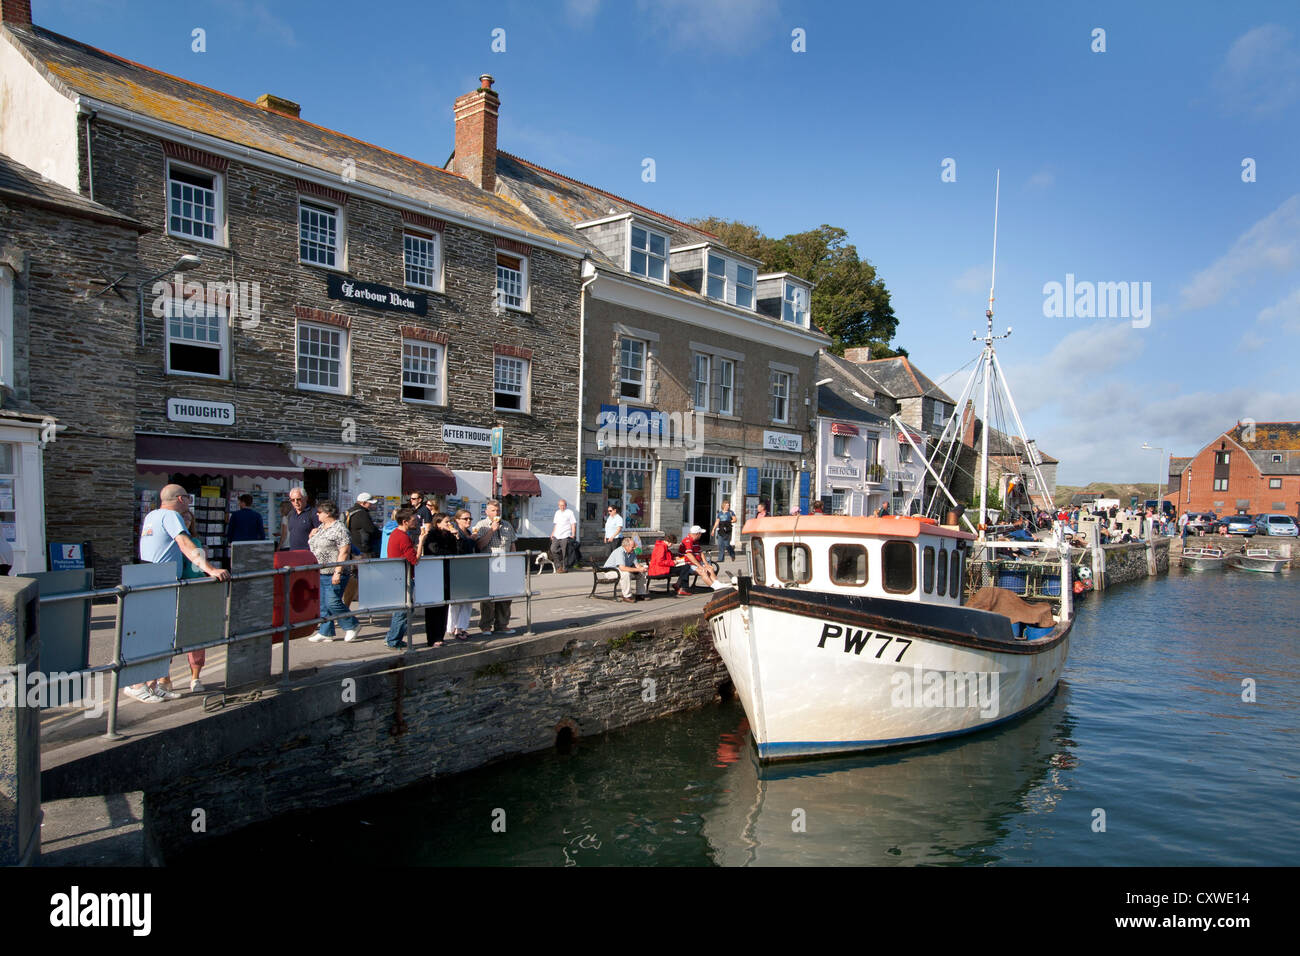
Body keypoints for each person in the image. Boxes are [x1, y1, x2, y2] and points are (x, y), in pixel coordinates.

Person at [132, 484, 230, 702]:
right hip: (163, 580)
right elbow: (185, 544)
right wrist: (211, 570)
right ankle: (138, 685)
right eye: (186, 497)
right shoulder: (171, 516)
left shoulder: (152, 516)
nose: (188, 501)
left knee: (160, 635)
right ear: (180, 499)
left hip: (149, 577)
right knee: (157, 636)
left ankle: (153, 684)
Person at [306, 500, 359, 643]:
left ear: (328, 513)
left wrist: (338, 572)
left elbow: (344, 550)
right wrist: (312, 536)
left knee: (332, 601)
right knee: (323, 604)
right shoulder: (322, 527)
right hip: (320, 571)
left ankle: (351, 624)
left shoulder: (339, 529)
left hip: (335, 571)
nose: (317, 515)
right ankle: (326, 631)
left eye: (319, 512)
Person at [384, 507, 430, 649]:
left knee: (403, 609)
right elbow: (415, 560)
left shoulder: (396, 534)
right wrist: (421, 541)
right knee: (403, 610)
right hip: (403, 576)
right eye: (413, 520)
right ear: (405, 522)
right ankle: (393, 639)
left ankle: (393, 637)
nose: (416, 522)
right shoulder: (403, 537)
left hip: (399, 575)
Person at [473, 500, 518, 636]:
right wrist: (492, 530)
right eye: (493, 510)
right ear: (487, 512)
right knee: (488, 598)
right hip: (488, 563)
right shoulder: (481, 525)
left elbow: (512, 544)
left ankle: (502, 624)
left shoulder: (507, 525)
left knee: (505, 596)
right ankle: (486, 625)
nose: (496, 513)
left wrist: (514, 561)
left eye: (498, 510)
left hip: (505, 562)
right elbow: (479, 545)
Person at [423, 511, 458, 647]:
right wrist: (449, 553)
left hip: (447, 573)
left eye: (450, 521)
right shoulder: (431, 536)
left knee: (444, 606)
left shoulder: (450, 536)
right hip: (433, 574)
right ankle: (432, 638)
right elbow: (434, 550)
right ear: (438, 524)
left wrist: (457, 538)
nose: (449, 524)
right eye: (446, 522)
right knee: (433, 608)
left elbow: (457, 552)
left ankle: (440, 636)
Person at [446, 509, 477, 640]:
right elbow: (458, 549)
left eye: (470, 518)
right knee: (457, 601)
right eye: (465, 519)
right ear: (457, 520)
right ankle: (453, 628)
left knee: (468, 601)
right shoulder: (455, 533)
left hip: (469, 568)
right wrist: (471, 540)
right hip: (458, 569)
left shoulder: (469, 532)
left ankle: (462, 627)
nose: (468, 521)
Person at [603, 536, 648, 602]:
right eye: (632, 547)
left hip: (620, 570)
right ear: (626, 546)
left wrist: (643, 568)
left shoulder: (632, 552)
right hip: (610, 571)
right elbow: (622, 568)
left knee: (642, 572)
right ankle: (627, 596)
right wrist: (638, 569)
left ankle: (640, 594)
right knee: (625, 573)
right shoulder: (619, 551)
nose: (634, 548)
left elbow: (637, 565)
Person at [676, 525, 718, 594]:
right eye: (700, 533)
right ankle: (714, 587)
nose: (701, 535)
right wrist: (700, 566)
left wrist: (706, 564)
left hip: (695, 562)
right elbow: (689, 555)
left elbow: (700, 553)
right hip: (687, 564)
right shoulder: (688, 541)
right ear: (697, 534)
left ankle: (717, 584)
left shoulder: (695, 541)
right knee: (703, 571)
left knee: (710, 568)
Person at [344, 492, 379, 558]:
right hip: (363, 550)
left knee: (354, 567)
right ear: (363, 503)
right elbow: (371, 530)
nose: (371, 505)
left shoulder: (349, 511)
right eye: (370, 503)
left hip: (351, 548)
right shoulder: (362, 514)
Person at [285, 487, 319, 551]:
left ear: (305, 498)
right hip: (293, 553)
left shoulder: (313, 513)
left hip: (308, 553)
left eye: (298, 499)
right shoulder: (291, 514)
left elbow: (322, 532)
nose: (296, 502)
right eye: (292, 500)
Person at [550, 498, 578, 572]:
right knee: (553, 549)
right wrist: (553, 533)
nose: (562, 507)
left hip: (566, 535)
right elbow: (556, 524)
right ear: (558, 506)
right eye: (560, 505)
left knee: (565, 552)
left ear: (566, 505)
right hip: (557, 535)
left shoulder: (569, 512)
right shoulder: (557, 513)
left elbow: (573, 524)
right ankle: (559, 566)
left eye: (563, 505)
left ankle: (565, 568)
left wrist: (573, 534)